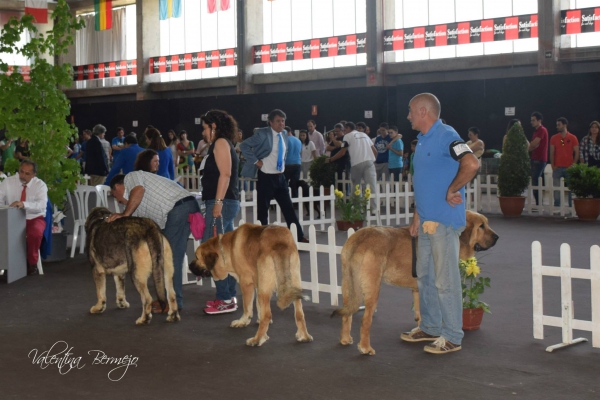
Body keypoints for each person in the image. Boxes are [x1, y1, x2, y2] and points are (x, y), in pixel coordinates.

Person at [401, 93, 479, 354]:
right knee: (425, 277)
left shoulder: (447, 135)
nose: (408, 116)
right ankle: (431, 327)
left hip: (444, 223)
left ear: (424, 111)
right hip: (426, 222)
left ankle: (453, 336)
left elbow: (471, 163)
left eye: (411, 111)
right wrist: (416, 215)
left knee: (445, 281)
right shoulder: (422, 141)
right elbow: (423, 182)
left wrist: (452, 189)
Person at [108, 171, 201, 312]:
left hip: (179, 207)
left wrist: (124, 214)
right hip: (179, 210)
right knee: (164, 256)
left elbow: (139, 190)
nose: (119, 201)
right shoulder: (136, 207)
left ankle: (172, 302)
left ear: (117, 187)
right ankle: (166, 300)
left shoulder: (131, 177)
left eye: (117, 197)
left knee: (169, 257)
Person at [239, 109, 308, 243]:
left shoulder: (284, 134)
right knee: (262, 210)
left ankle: (299, 236)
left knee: (289, 209)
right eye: (278, 121)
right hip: (266, 176)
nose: (281, 124)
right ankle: (261, 239)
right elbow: (244, 145)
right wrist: (255, 161)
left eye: (283, 121)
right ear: (270, 122)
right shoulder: (262, 133)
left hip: (280, 177)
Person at [198, 110, 241, 315]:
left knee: (213, 253)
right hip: (223, 203)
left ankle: (225, 298)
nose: (203, 132)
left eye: (205, 128)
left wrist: (217, 203)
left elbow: (225, 174)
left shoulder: (221, 143)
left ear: (213, 126)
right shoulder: (222, 143)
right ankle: (229, 297)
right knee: (225, 252)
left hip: (221, 205)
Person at [0, 159, 48, 276]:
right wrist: (6, 207)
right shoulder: (8, 181)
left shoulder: (40, 185)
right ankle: (5, 263)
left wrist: (24, 204)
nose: (23, 175)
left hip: (34, 217)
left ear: (34, 175)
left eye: (27, 174)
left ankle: (31, 263)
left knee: (35, 233)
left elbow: (42, 206)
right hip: (11, 218)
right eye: (21, 172)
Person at [327, 122, 378, 212]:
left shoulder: (348, 136)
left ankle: (358, 208)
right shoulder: (364, 135)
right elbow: (375, 150)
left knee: (356, 186)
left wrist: (331, 159)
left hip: (357, 163)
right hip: (369, 162)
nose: (344, 131)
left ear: (348, 128)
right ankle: (373, 209)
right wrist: (373, 161)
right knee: (371, 186)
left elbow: (342, 152)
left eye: (344, 129)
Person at [550, 117, 579, 207]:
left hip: (569, 167)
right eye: (557, 125)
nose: (557, 127)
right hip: (557, 167)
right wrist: (552, 165)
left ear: (564, 125)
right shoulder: (554, 138)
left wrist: (573, 164)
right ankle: (557, 207)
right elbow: (551, 152)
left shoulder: (573, 138)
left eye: (559, 125)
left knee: (571, 189)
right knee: (556, 190)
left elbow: (577, 152)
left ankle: (571, 207)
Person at [528, 112, 549, 206]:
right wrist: (532, 146)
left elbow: (532, 145)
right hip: (534, 159)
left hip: (540, 160)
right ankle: (538, 204)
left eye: (533, 120)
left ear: (539, 121)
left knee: (536, 181)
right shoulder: (536, 132)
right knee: (535, 181)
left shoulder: (542, 130)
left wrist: (531, 146)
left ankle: (539, 204)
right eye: (531, 120)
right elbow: (532, 146)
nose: (531, 122)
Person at [284, 129, 302, 199]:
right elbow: (300, 152)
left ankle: (286, 199)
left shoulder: (285, 140)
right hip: (297, 163)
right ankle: (295, 200)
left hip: (288, 163)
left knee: (284, 183)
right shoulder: (298, 140)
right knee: (294, 183)